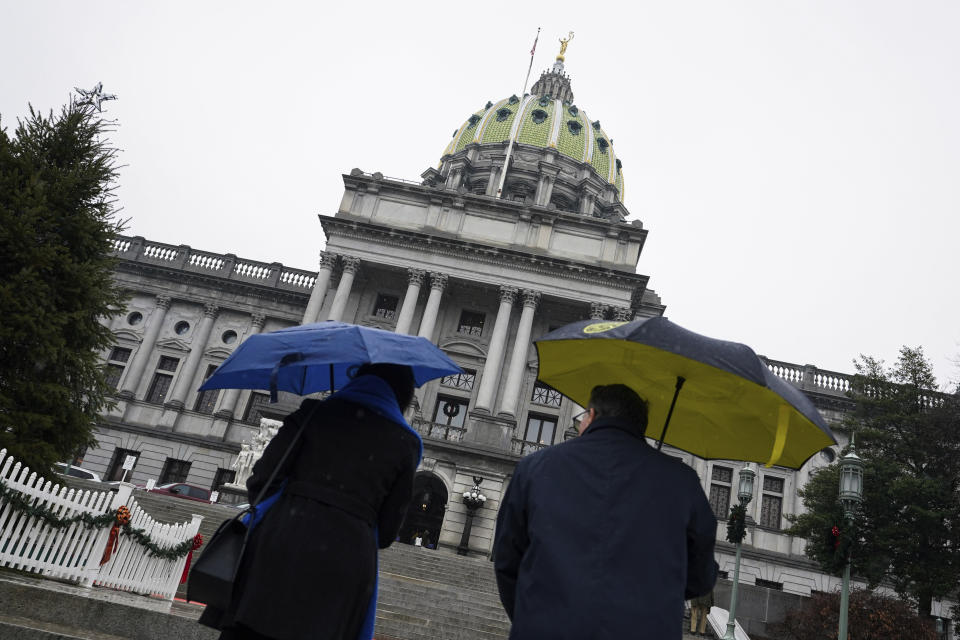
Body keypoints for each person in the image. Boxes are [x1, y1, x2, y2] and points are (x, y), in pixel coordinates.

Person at [198, 363, 422, 640]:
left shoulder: (312, 414)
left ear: (359, 378)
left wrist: (293, 508)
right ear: (401, 395)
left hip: (280, 540)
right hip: (348, 560)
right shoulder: (406, 443)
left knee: (250, 630)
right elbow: (388, 531)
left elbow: (261, 479)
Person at [493, 383, 718, 640]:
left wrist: (532, 617)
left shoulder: (534, 468)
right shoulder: (683, 482)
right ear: (640, 426)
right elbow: (701, 577)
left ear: (590, 416)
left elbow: (507, 561)